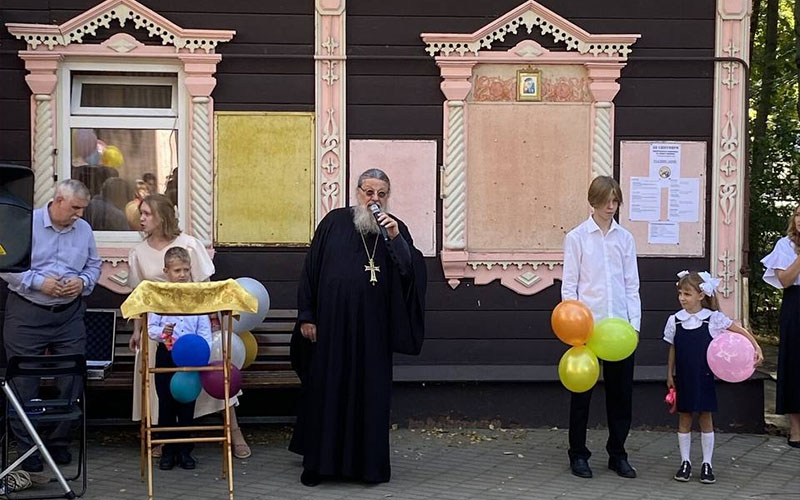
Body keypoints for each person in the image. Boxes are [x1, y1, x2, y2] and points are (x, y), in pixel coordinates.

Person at [289, 168, 426, 486]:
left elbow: (411, 272)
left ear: (388, 196)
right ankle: (318, 467)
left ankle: (367, 468)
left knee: (370, 397)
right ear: (357, 192)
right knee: (327, 392)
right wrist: (308, 315)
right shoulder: (334, 222)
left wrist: (395, 238)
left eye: (381, 193)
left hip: (373, 333)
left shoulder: (395, 229)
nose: (374, 199)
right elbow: (310, 270)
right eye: (368, 191)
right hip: (333, 329)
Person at [127, 193, 251, 459]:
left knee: (215, 365)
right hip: (161, 330)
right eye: (142, 213)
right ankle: (165, 438)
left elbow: (206, 288)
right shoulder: (138, 252)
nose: (142, 218)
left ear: (161, 216)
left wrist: (212, 324)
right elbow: (139, 296)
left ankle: (234, 431)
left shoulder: (189, 245)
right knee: (155, 374)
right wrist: (137, 330)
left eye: (147, 213)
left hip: (195, 328)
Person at [0, 179, 102, 473]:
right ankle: (28, 447)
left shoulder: (83, 230)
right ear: (58, 201)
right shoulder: (25, 223)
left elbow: (94, 266)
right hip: (27, 313)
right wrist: (38, 282)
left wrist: (82, 282)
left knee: (71, 378)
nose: (80, 215)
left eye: (83, 209)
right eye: (75, 208)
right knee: (24, 382)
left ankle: (58, 442)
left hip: (68, 315)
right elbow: (6, 265)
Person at [561, 175, 640, 479]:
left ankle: (617, 454)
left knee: (621, 397)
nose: (611, 206)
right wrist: (574, 326)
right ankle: (578, 454)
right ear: (593, 201)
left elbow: (632, 284)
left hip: (619, 330)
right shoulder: (577, 238)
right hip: (587, 332)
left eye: (616, 201)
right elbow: (569, 287)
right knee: (581, 395)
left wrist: (634, 325)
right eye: (607, 201)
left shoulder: (625, 239)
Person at [664, 270, 762, 484]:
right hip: (684, 376)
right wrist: (669, 373)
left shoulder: (713, 320)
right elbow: (673, 348)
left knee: (705, 417)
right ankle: (685, 462)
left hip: (705, 376)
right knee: (685, 418)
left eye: (687, 294)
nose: (682, 298)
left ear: (701, 295)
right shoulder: (675, 321)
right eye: (680, 293)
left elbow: (738, 330)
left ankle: (707, 463)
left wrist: (755, 346)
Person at [147, 247, 212, 471]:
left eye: (186, 269)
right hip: (167, 354)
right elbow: (151, 328)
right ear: (167, 271)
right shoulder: (160, 297)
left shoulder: (196, 298)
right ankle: (168, 450)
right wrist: (163, 331)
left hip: (190, 357)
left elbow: (204, 329)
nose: (182, 274)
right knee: (166, 403)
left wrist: (204, 350)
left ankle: (185, 450)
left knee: (186, 403)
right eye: (177, 270)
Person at [761, 204, 800, 448]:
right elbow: (784, 280)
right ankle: (796, 429)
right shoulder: (784, 245)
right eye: (798, 214)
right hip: (795, 305)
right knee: (794, 363)